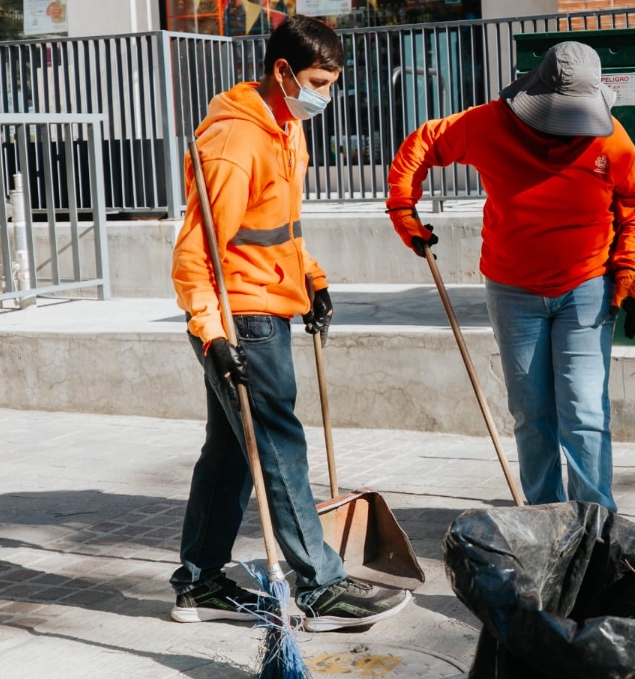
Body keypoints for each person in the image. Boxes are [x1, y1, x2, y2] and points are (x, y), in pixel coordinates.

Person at [169, 15, 410, 631]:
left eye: (331, 84)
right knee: (279, 447)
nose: (324, 96)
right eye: (317, 83)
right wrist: (211, 333)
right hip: (241, 317)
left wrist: (312, 278)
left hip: (269, 301)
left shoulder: (286, 128)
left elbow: (280, 227)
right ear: (283, 71)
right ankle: (322, 586)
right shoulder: (234, 143)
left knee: (230, 453)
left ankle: (199, 582)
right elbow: (196, 254)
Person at [385, 42, 635, 511]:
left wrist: (627, 270)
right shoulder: (487, 124)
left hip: (586, 287)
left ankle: (595, 520)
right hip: (513, 291)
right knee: (531, 413)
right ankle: (546, 517)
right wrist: (402, 209)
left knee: (585, 411)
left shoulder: (612, 141)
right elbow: (422, 143)